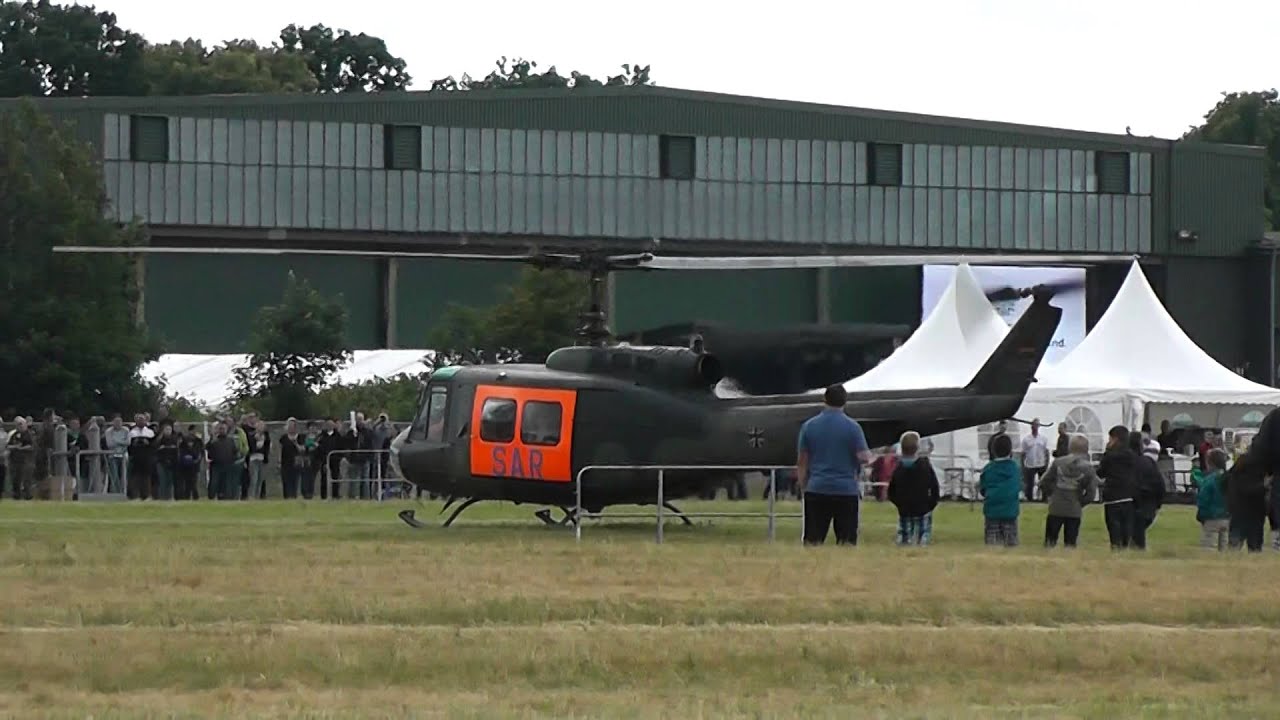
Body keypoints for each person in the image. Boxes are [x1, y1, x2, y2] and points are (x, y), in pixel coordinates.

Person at [796, 384, 873, 546]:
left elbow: (802, 461)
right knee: (846, 541)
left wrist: (803, 485)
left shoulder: (809, 426)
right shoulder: (853, 428)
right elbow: (864, 457)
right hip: (845, 489)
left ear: (824, 400)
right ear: (845, 402)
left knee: (813, 540)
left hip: (817, 487)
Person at [1038, 433, 1098, 548]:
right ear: (1086, 449)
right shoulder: (1088, 468)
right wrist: (1081, 502)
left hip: (1055, 507)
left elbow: (1043, 482)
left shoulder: (1058, 463)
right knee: (1070, 544)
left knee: (1050, 542)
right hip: (1074, 509)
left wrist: (1052, 494)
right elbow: (1091, 493)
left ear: (1069, 447)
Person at [887, 431, 940, 546]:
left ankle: (904, 546)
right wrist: (932, 503)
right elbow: (934, 486)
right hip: (923, 507)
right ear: (917, 448)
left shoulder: (899, 468)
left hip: (905, 508)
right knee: (923, 534)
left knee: (905, 534)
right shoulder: (925, 466)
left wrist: (899, 504)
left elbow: (891, 490)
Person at [1096, 425, 1138, 550]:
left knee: (1114, 529)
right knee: (1126, 529)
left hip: (1112, 497)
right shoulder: (1132, 455)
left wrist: (1106, 452)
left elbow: (1101, 472)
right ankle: (1125, 549)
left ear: (1115, 439)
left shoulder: (1110, 456)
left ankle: (1116, 549)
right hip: (1128, 496)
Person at [979, 434, 1021, 546]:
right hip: (1010, 511)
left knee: (992, 544)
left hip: (992, 511)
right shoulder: (1015, 468)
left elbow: (983, 489)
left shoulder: (988, 468)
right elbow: (1019, 486)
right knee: (1010, 544)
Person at [1130, 431, 1166, 551]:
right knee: (1138, 536)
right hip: (1149, 504)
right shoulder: (1150, 464)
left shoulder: (1133, 462)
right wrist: (1158, 504)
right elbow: (1160, 485)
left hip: (1135, 503)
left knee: (1134, 536)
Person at [1195, 449, 1230, 551]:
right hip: (1227, 517)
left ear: (1210, 463)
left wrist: (1201, 516)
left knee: (1209, 548)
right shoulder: (1229, 478)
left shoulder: (1209, 480)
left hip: (1211, 518)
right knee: (1224, 548)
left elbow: (1203, 499)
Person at [1019, 419, 1050, 501]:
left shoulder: (1043, 439)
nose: (1035, 427)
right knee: (1030, 484)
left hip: (1041, 464)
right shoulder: (1026, 439)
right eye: (1034, 425)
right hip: (1030, 464)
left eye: (1037, 425)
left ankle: (1044, 499)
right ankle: (1030, 499)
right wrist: (1023, 466)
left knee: (1043, 482)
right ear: (1031, 426)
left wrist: (1046, 463)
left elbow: (1046, 452)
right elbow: (1023, 453)